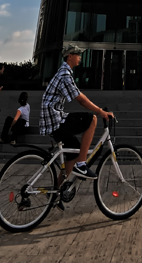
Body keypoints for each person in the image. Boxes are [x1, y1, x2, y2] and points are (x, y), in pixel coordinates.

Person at [39, 44, 114, 182]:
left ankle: (57, 192)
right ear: (70, 56)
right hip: (54, 120)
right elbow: (81, 99)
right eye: (77, 54)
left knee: (73, 154)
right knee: (92, 119)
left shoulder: (64, 72)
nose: (80, 57)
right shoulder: (64, 75)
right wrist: (100, 112)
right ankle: (81, 165)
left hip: (54, 118)